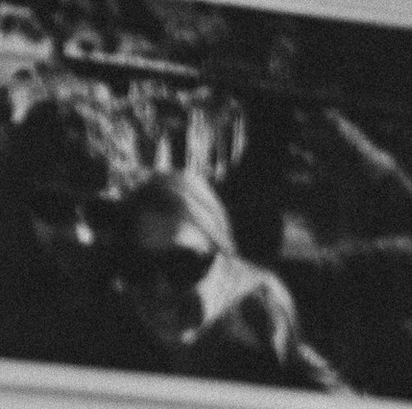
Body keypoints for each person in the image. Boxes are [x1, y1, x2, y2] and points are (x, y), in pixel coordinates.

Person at [105, 166, 345, 394]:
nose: (161, 287)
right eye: (138, 265)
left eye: (183, 264)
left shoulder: (256, 318)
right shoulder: (111, 328)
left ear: (223, 260)